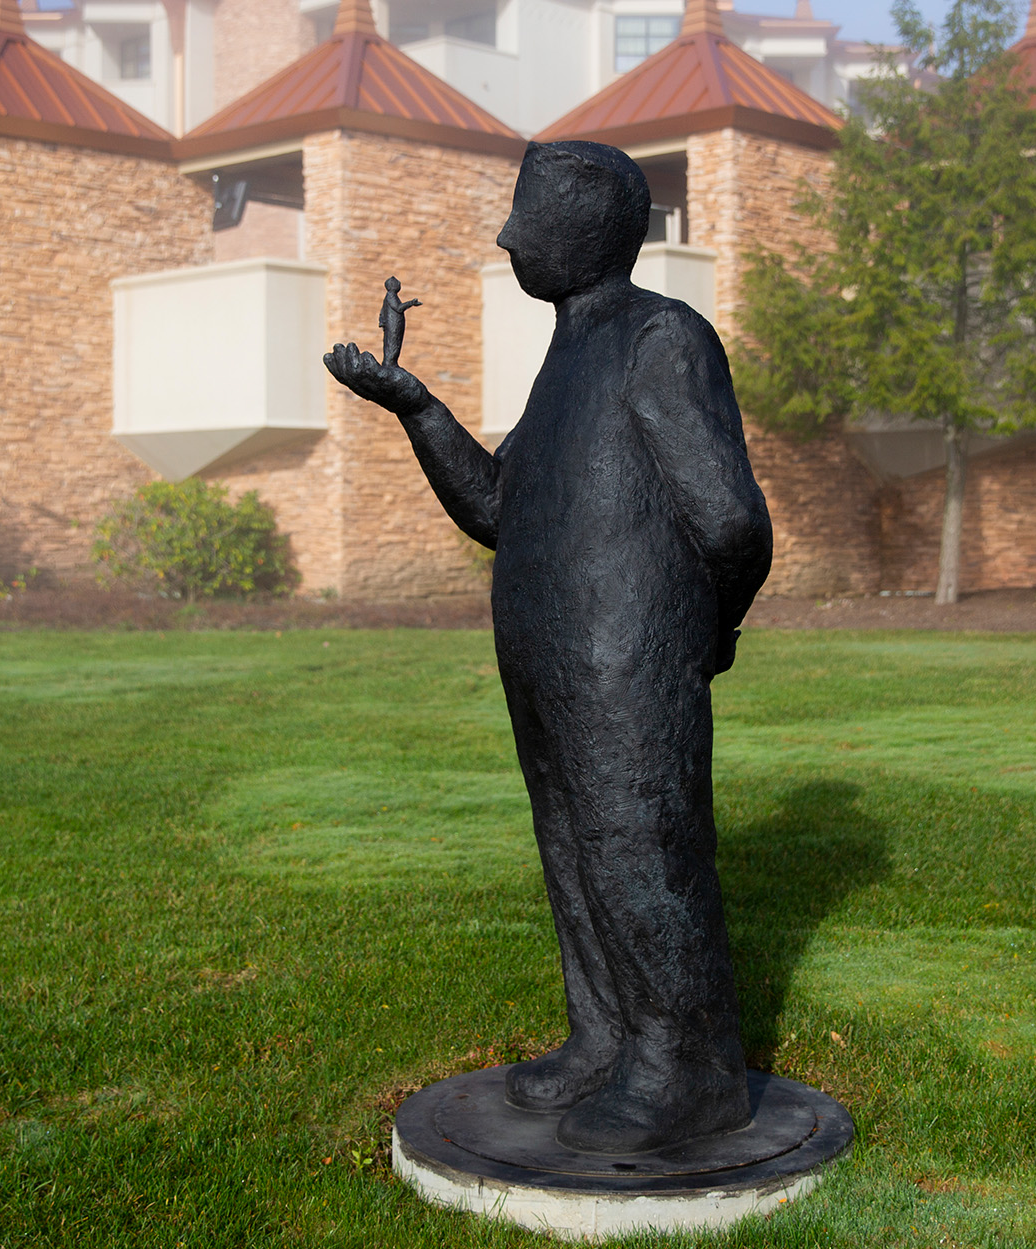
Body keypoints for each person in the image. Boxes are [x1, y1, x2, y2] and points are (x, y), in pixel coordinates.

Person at [324, 140, 771, 1154]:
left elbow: (733, 520)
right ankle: (605, 1038)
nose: (507, 235)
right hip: (548, 653)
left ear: (588, 232)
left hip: (627, 657)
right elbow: (498, 506)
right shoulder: (570, 352)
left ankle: (685, 1068)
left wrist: (707, 629)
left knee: (637, 849)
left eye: (528, 217)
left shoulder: (663, 338)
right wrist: (417, 408)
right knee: (573, 848)